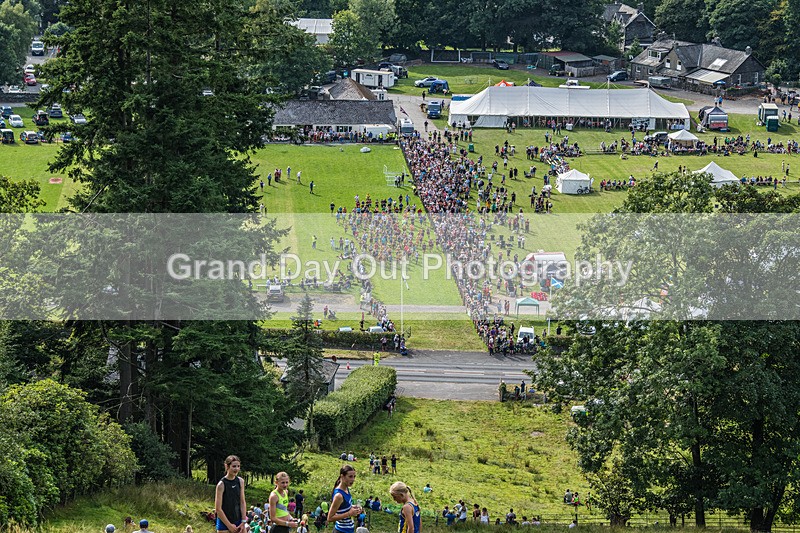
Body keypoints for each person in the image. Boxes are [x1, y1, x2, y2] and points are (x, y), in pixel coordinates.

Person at [216, 455, 247, 533]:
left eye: (238, 466)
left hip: (238, 520)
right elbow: (218, 509)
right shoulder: (221, 484)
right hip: (224, 522)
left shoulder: (240, 481)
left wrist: (243, 521)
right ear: (227, 466)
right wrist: (229, 525)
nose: (236, 469)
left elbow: (242, 502)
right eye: (234, 466)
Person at [328, 465, 362, 533]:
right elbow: (330, 518)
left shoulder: (346, 488)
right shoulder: (339, 496)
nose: (353, 479)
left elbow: (342, 507)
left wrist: (354, 507)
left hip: (348, 530)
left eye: (354, 476)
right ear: (342, 476)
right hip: (341, 530)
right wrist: (349, 513)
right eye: (350, 476)